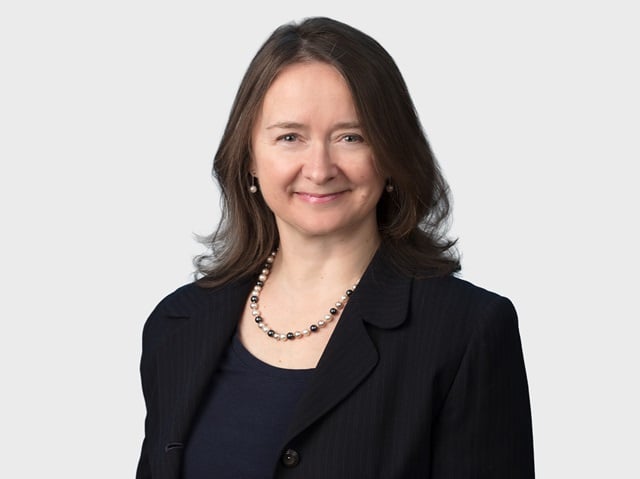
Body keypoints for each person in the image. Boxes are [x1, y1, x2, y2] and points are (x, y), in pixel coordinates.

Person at [136, 16, 535, 479]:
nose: (320, 169)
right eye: (290, 137)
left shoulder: (466, 331)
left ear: (391, 154)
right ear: (249, 157)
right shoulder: (176, 325)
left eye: (351, 137)